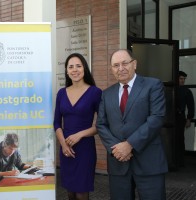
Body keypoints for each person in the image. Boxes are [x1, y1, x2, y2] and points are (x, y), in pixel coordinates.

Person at [96, 49, 168, 200]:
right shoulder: (106, 94)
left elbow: (156, 118)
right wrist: (116, 148)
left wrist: (129, 144)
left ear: (134, 64)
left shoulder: (153, 85)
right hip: (118, 164)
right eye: (116, 65)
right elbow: (101, 124)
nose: (120, 68)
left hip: (149, 163)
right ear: (111, 69)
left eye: (124, 63)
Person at [53, 53, 102, 200]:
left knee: (81, 192)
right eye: (71, 67)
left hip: (85, 149)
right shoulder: (61, 93)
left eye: (78, 66)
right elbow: (56, 123)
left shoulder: (95, 92)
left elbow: (101, 125)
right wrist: (63, 145)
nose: (75, 70)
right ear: (67, 71)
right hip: (66, 148)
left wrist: (79, 135)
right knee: (70, 192)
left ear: (84, 69)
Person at [176, 71, 195, 167]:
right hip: (170, 117)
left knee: (179, 138)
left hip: (180, 117)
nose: (183, 81)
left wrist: (189, 119)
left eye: (184, 79)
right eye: (181, 79)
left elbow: (191, 106)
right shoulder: (171, 89)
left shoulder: (187, 91)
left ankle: (180, 161)